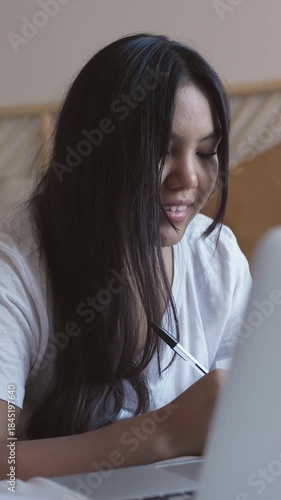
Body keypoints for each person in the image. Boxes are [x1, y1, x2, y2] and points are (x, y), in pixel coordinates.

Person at [0, 33, 252, 480]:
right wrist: (164, 434)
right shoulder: (17, 267)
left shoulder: (219, 259)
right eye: (160, 150)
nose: (189, 178)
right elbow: (5, 459)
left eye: (206, 151)